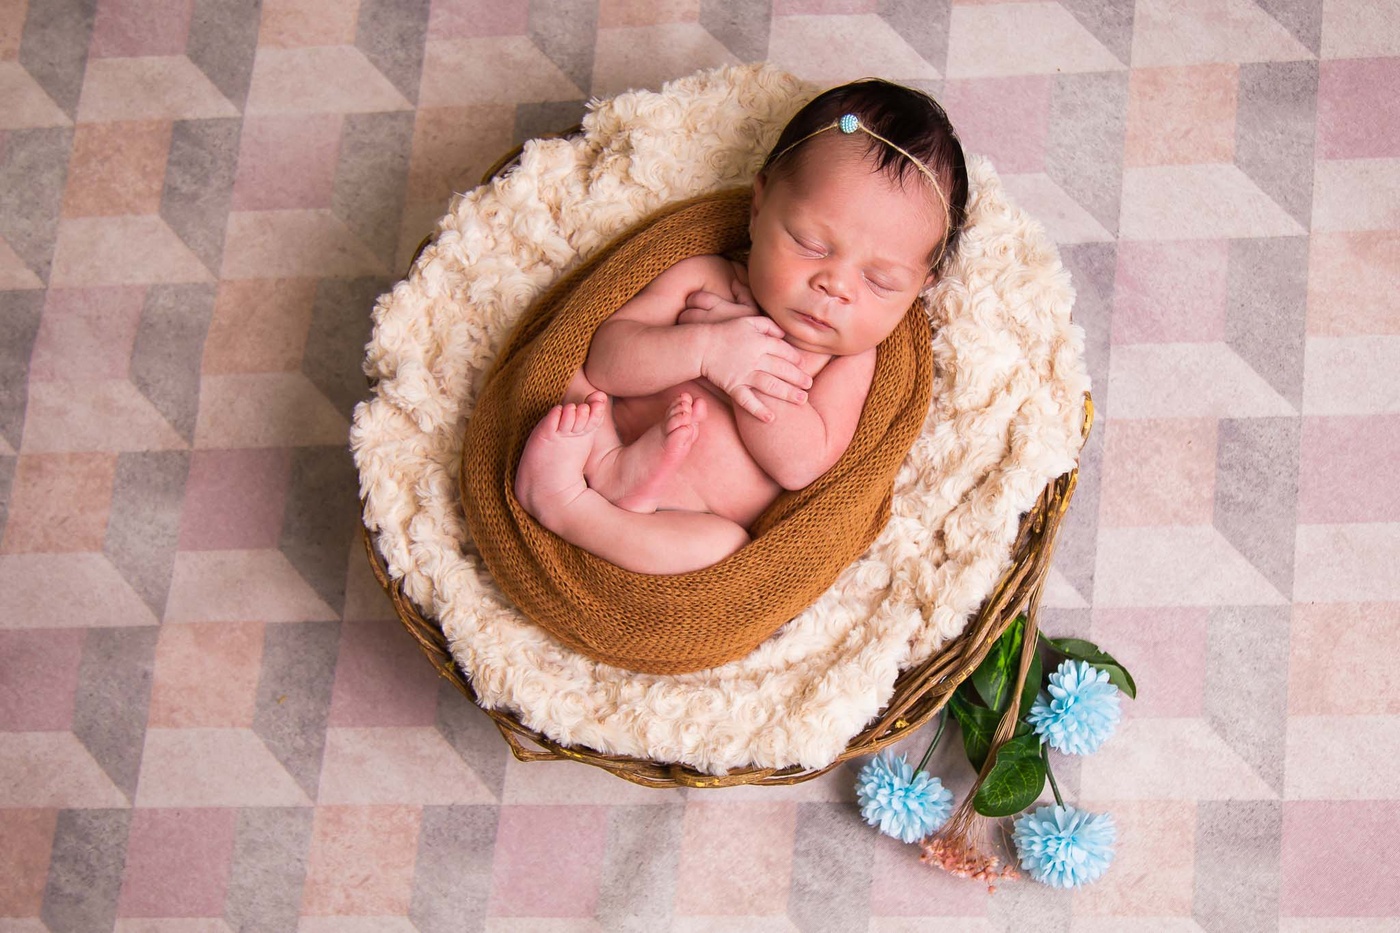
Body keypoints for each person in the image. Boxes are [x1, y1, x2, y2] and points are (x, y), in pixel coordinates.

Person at [513, 79, 969, 574]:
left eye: (879, 281)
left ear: (920, 287)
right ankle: (606, 471)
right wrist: (705, 349)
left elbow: (800, 465)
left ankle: (569, 509)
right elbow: (605, 362)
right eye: (811, 245)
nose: (835, 286)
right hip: (595, 444)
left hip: (680, 519)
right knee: (573, 382)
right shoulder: (707, 280)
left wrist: (747, 371)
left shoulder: (852, 361)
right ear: (758, 209)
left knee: (724, 547)